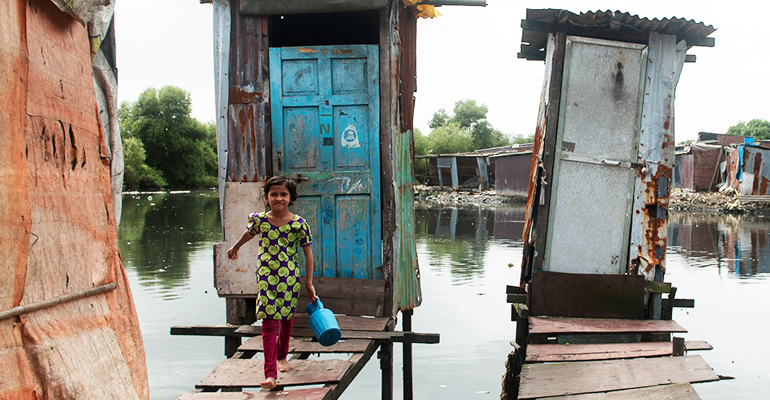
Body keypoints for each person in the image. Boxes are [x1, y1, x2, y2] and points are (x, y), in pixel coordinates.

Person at [227, 176, 317, 389]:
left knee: (286, 319)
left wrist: (309, 283)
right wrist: (235, 247)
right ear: (267, 198)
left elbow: (308, 254)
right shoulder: (259, 221)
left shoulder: (298, 224)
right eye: (273, 194)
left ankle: (282, 355)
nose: (278, 198)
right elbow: (248, 234)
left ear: (291, 198)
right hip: (266, 278)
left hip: (289, 279)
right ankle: (270, 374)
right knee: (268, 323)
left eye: (283, 194)